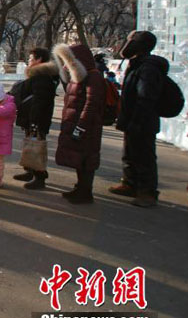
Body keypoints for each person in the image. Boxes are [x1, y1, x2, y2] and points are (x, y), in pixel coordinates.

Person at [110, 31, 167, 208]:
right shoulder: (137, 64)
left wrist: (137, 120)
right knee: (130, 153)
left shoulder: (148, 68)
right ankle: (130, 183)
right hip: (133, 119)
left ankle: (147, 192)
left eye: (130, 42)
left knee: (144, 156)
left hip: (143, 121)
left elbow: (146, 97)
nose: (126, 45)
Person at [53, 43, 105, 204]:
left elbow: (91, 104)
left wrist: (81, 126)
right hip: (77, 123)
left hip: (87, 127)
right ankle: (81, 187)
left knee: (87, 158)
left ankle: (85, 191)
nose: (66, 67)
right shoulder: (79, 77)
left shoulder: (94, 77)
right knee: (79, 157)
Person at [11, 48, 59, 189]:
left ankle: (40, 176)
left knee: (37, 146)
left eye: (31, 59)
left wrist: (34, 121)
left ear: (39, 60)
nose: (29, 61)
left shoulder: (42, 76)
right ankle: (30, 171)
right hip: (31, 117)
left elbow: (39, 102)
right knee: (30, 145)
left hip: (37, 119)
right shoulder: (38, 75)